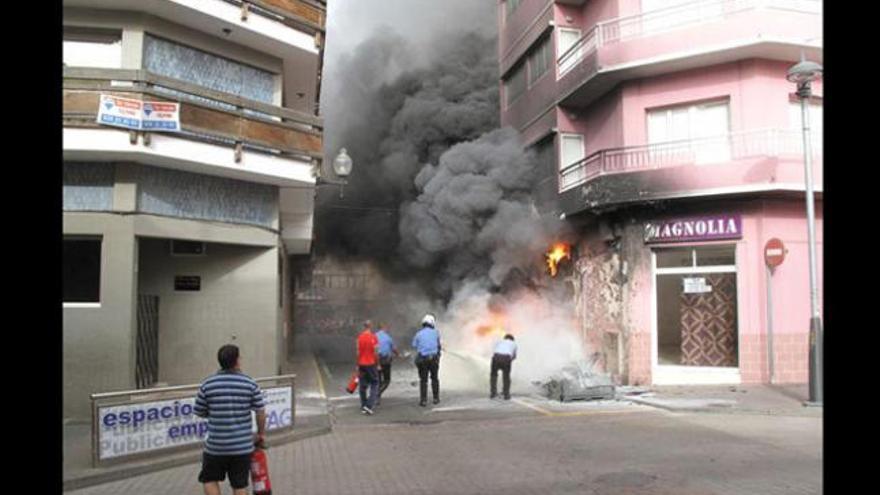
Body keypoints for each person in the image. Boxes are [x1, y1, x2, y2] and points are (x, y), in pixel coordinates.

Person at [194, 344, 266, 495]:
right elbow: (260, 411)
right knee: (239, 484)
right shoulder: (249, 383)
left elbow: (199, 411)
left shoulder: (208, 384)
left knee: (210, 480)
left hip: (215, 446)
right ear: (237, 361)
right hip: (242, 447)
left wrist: (215, 413)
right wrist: (261, 434)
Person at [412, 313, 442, 407]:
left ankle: (423, 400)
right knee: (434, 378)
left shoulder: (418, 334)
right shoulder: (436, 333)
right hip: (434, 359)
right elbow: (439, 346)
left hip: (423, 360)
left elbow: (414, 346)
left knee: (423, 380)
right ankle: (436, 398)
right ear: (432, 323)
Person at [356, 320, 381, 415]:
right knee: (375, 383)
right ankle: (369, 405)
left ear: (364, 326)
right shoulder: (374, 337)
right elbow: (376, 353)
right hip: (371, 364)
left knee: (362, 385)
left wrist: (357, 365)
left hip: (361, 364)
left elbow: (357, 352)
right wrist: (378, 364)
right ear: (370, 326)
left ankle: (363, 405)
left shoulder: (360, 337)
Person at [375, 322, 400, 403]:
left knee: (378, 379)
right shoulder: (388, 337)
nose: (387, 329)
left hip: (375, 360)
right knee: (387, 380)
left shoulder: (374, 336)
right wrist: (398, 355)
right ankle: (377, 394)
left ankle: (377, 397)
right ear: (383, 328)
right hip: (385, 360)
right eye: (386, 327)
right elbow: (394, 349)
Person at [490, 334, 517, 400]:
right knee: (506, 377)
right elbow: (514, 357)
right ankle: (506, 394)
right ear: (512, 339)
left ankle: (493, 393)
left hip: (496, 357)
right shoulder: (514, 344)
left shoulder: (499, 342)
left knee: (493, 375)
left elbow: (495, 351)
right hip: (506, 358)